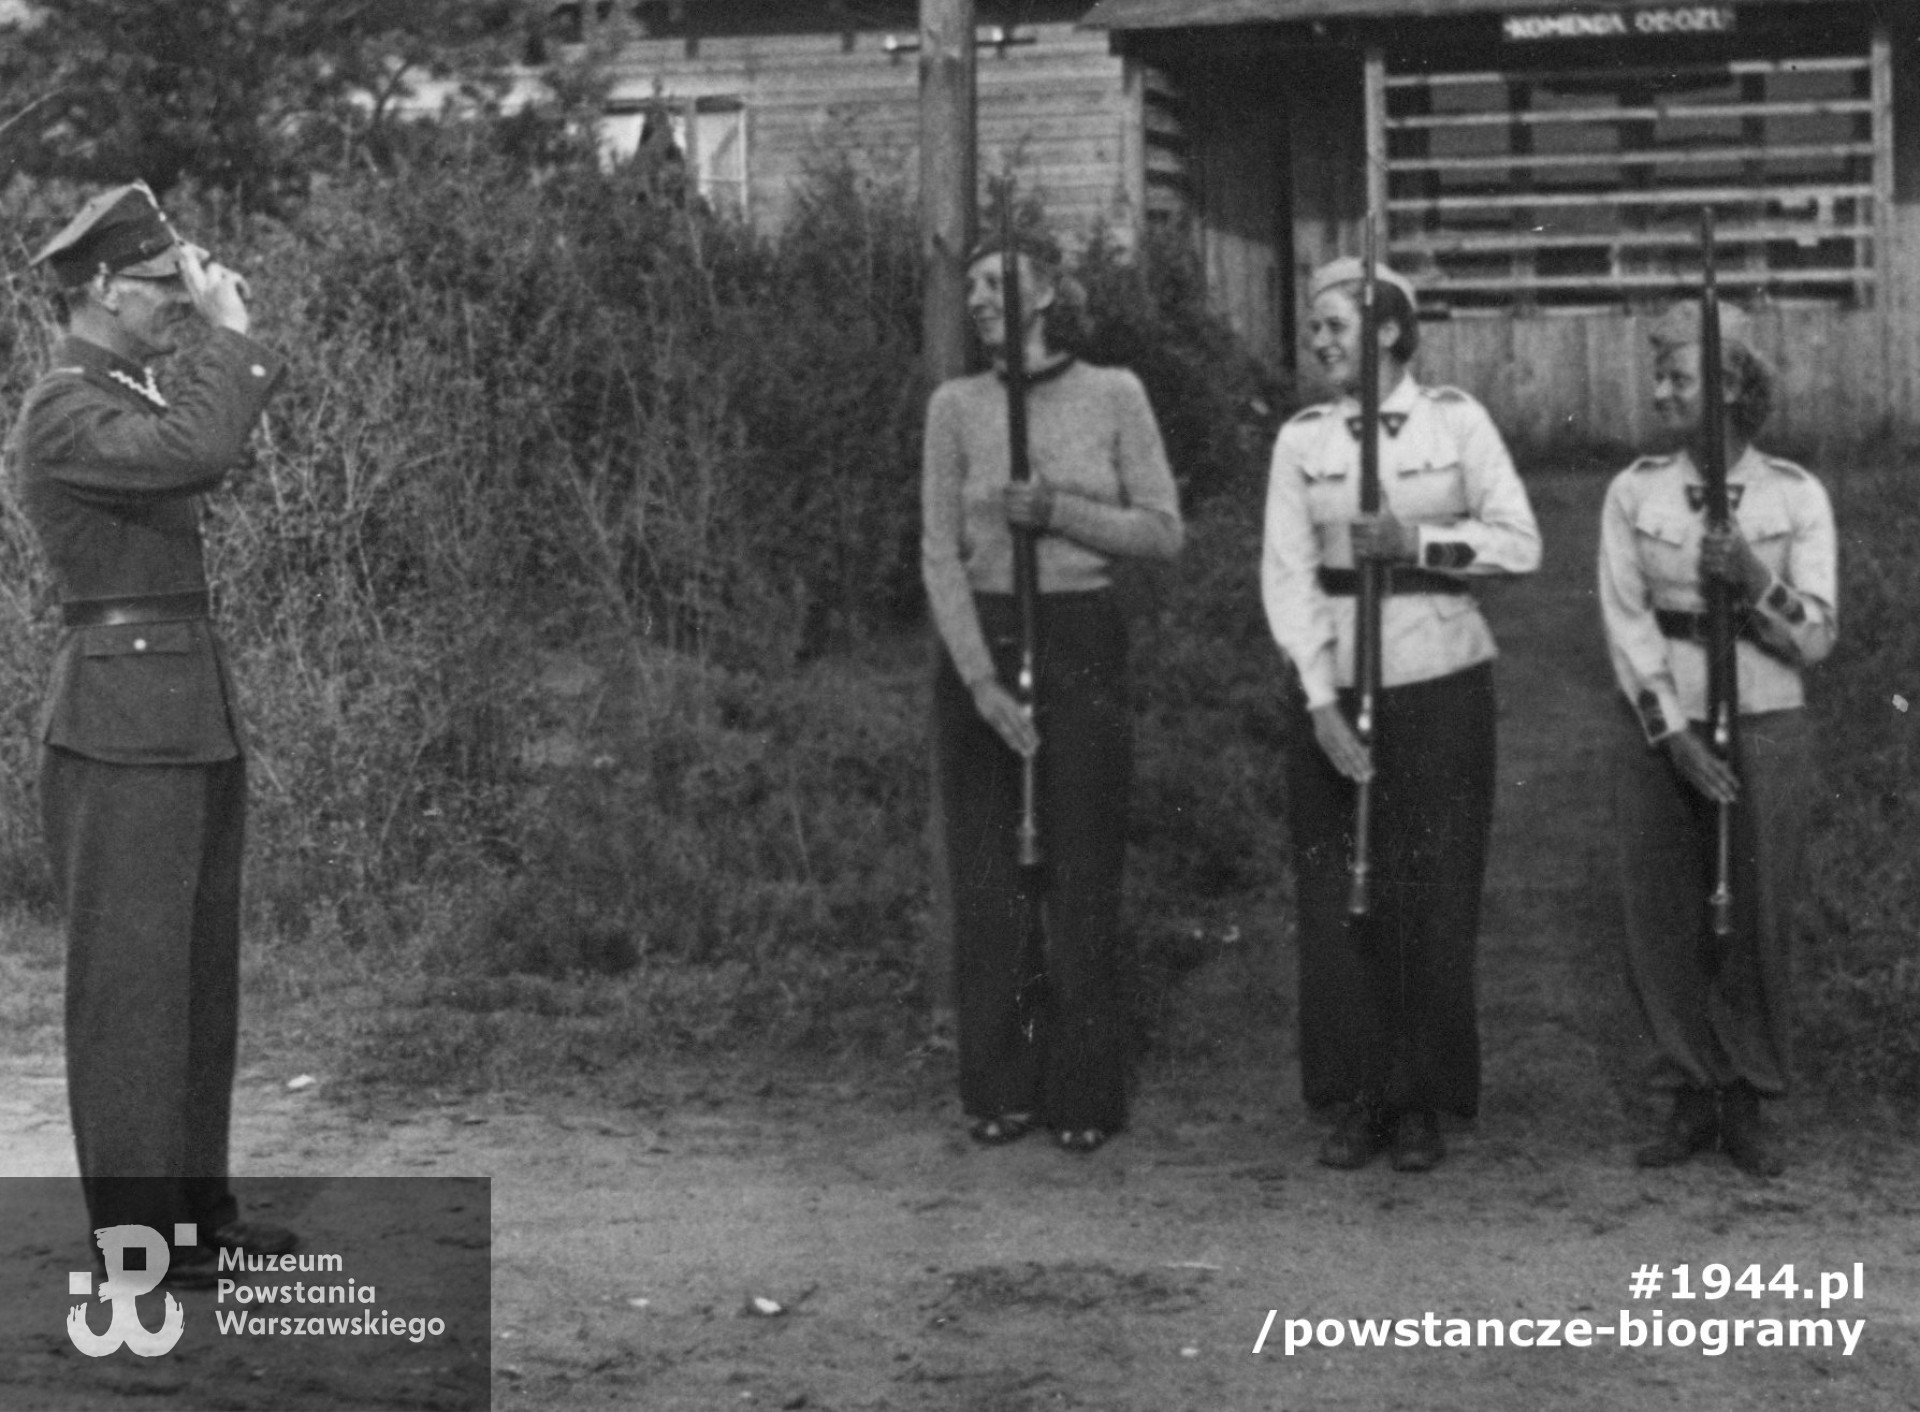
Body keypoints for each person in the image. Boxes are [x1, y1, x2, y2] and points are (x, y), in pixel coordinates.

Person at [7, 182, 295, 1284]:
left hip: (178, 711)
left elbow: (190, 436)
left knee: (194, 987)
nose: (180, 298)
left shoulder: (124, 391)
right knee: (131, 996)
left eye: (184, 282)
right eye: (159, 282)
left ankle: (197, 1216)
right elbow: (196, 451)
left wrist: (216, 347)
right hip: (122, 725)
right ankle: (140, 1241)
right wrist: (234, 337)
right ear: (99, 289)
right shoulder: (63, 406)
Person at [1261, 257, 1540, 1173]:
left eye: (1335, 324)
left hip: (1440, 679)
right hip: (1337, 686)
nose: (1318, 341)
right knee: (1339, 895)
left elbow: (1518, 543)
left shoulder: (1455, 423)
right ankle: (1358, 1095)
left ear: (1387, 330)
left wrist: (1417, 540)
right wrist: (1318, 699)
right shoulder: (1302, 441)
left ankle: (1421, 1097)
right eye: (1314, 327)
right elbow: (1288, 575)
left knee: (1433, 889)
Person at [921, 230, 1183, 1155]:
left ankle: (1081, 1091)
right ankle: (1000, 1085)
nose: (979, 300)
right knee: (990, 874)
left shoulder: (1115, 395)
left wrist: (1060, 512)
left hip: (1079, 638)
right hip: (985, 642)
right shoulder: (955, 407)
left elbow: (1163, 532)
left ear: (1045, 293)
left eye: (996, 283)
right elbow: (939, 552)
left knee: (1078, 868)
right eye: (971, 288)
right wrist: (978, 678)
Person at [1598, 304, 1835, 1177]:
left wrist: (1757, 581)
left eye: (1679, 377)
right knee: (1663, 911)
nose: (1660, 391)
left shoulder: (1794, 496)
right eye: (1657, 375)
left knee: (1758, 910)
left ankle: (1747, 1095)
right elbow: (1627, 624)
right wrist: (1672, 735)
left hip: (1766, 721)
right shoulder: (1635, 493)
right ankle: (1689, 1092)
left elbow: (1816, 636)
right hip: (1667, 729)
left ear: (1730, 385)